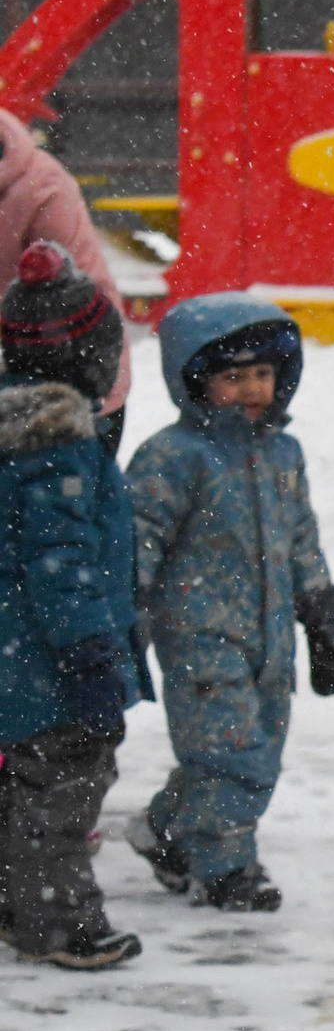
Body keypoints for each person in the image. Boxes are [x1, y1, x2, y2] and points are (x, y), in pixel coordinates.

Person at [125, 294, 334, 914]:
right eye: (233, 376)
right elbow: (139, 535)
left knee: (259, 750)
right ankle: (226, 870)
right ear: (197, 381)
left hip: (273, 637)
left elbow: (300, 533)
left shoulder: (283, 454)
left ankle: (166, 832)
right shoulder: (174, 457)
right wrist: (130, 611)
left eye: (262, 373)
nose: (251, 388)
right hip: (199, 633)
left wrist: (321, 610)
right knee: (228, 751)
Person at [0, 241, 146, 966]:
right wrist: (91, 655)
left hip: (19, 660)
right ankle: (57, 921)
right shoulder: (56, 446)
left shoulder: (19, 433)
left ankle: (15, 900)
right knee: (62, 794)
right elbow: (64, 570)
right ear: (93, 355)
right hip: (50, 667)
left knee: (25, 789)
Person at [0, 108, 133, 453]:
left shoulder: (37, 185)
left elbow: (70, 301)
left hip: (63, 384)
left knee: (68, 496)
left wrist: (86, 391)